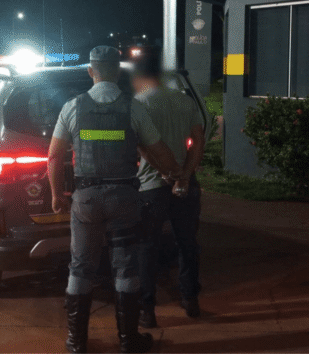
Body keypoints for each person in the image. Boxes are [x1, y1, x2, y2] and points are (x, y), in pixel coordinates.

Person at [48, 46, 184, 354]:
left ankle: (76, 342)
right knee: (125, 268)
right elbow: (157, 149)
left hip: (86, 200)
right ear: (118, 72)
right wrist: (175, 173)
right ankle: (128, 340)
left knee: (81, 266)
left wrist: (57, 195)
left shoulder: (72, 107)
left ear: (91, 71)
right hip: (124, 199)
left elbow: (54, 156)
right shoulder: (133, 108)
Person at [131, 52, 206, 329]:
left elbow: (141, 146)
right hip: (185, 184)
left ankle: (147, 311)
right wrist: (184, 174)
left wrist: (165, 171)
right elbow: (198, 141)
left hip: (151, 186)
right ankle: (191, 300)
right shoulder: (184, 101)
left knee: (147, 248)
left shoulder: (139, 103)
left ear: (140, 76)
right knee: (187, 243)